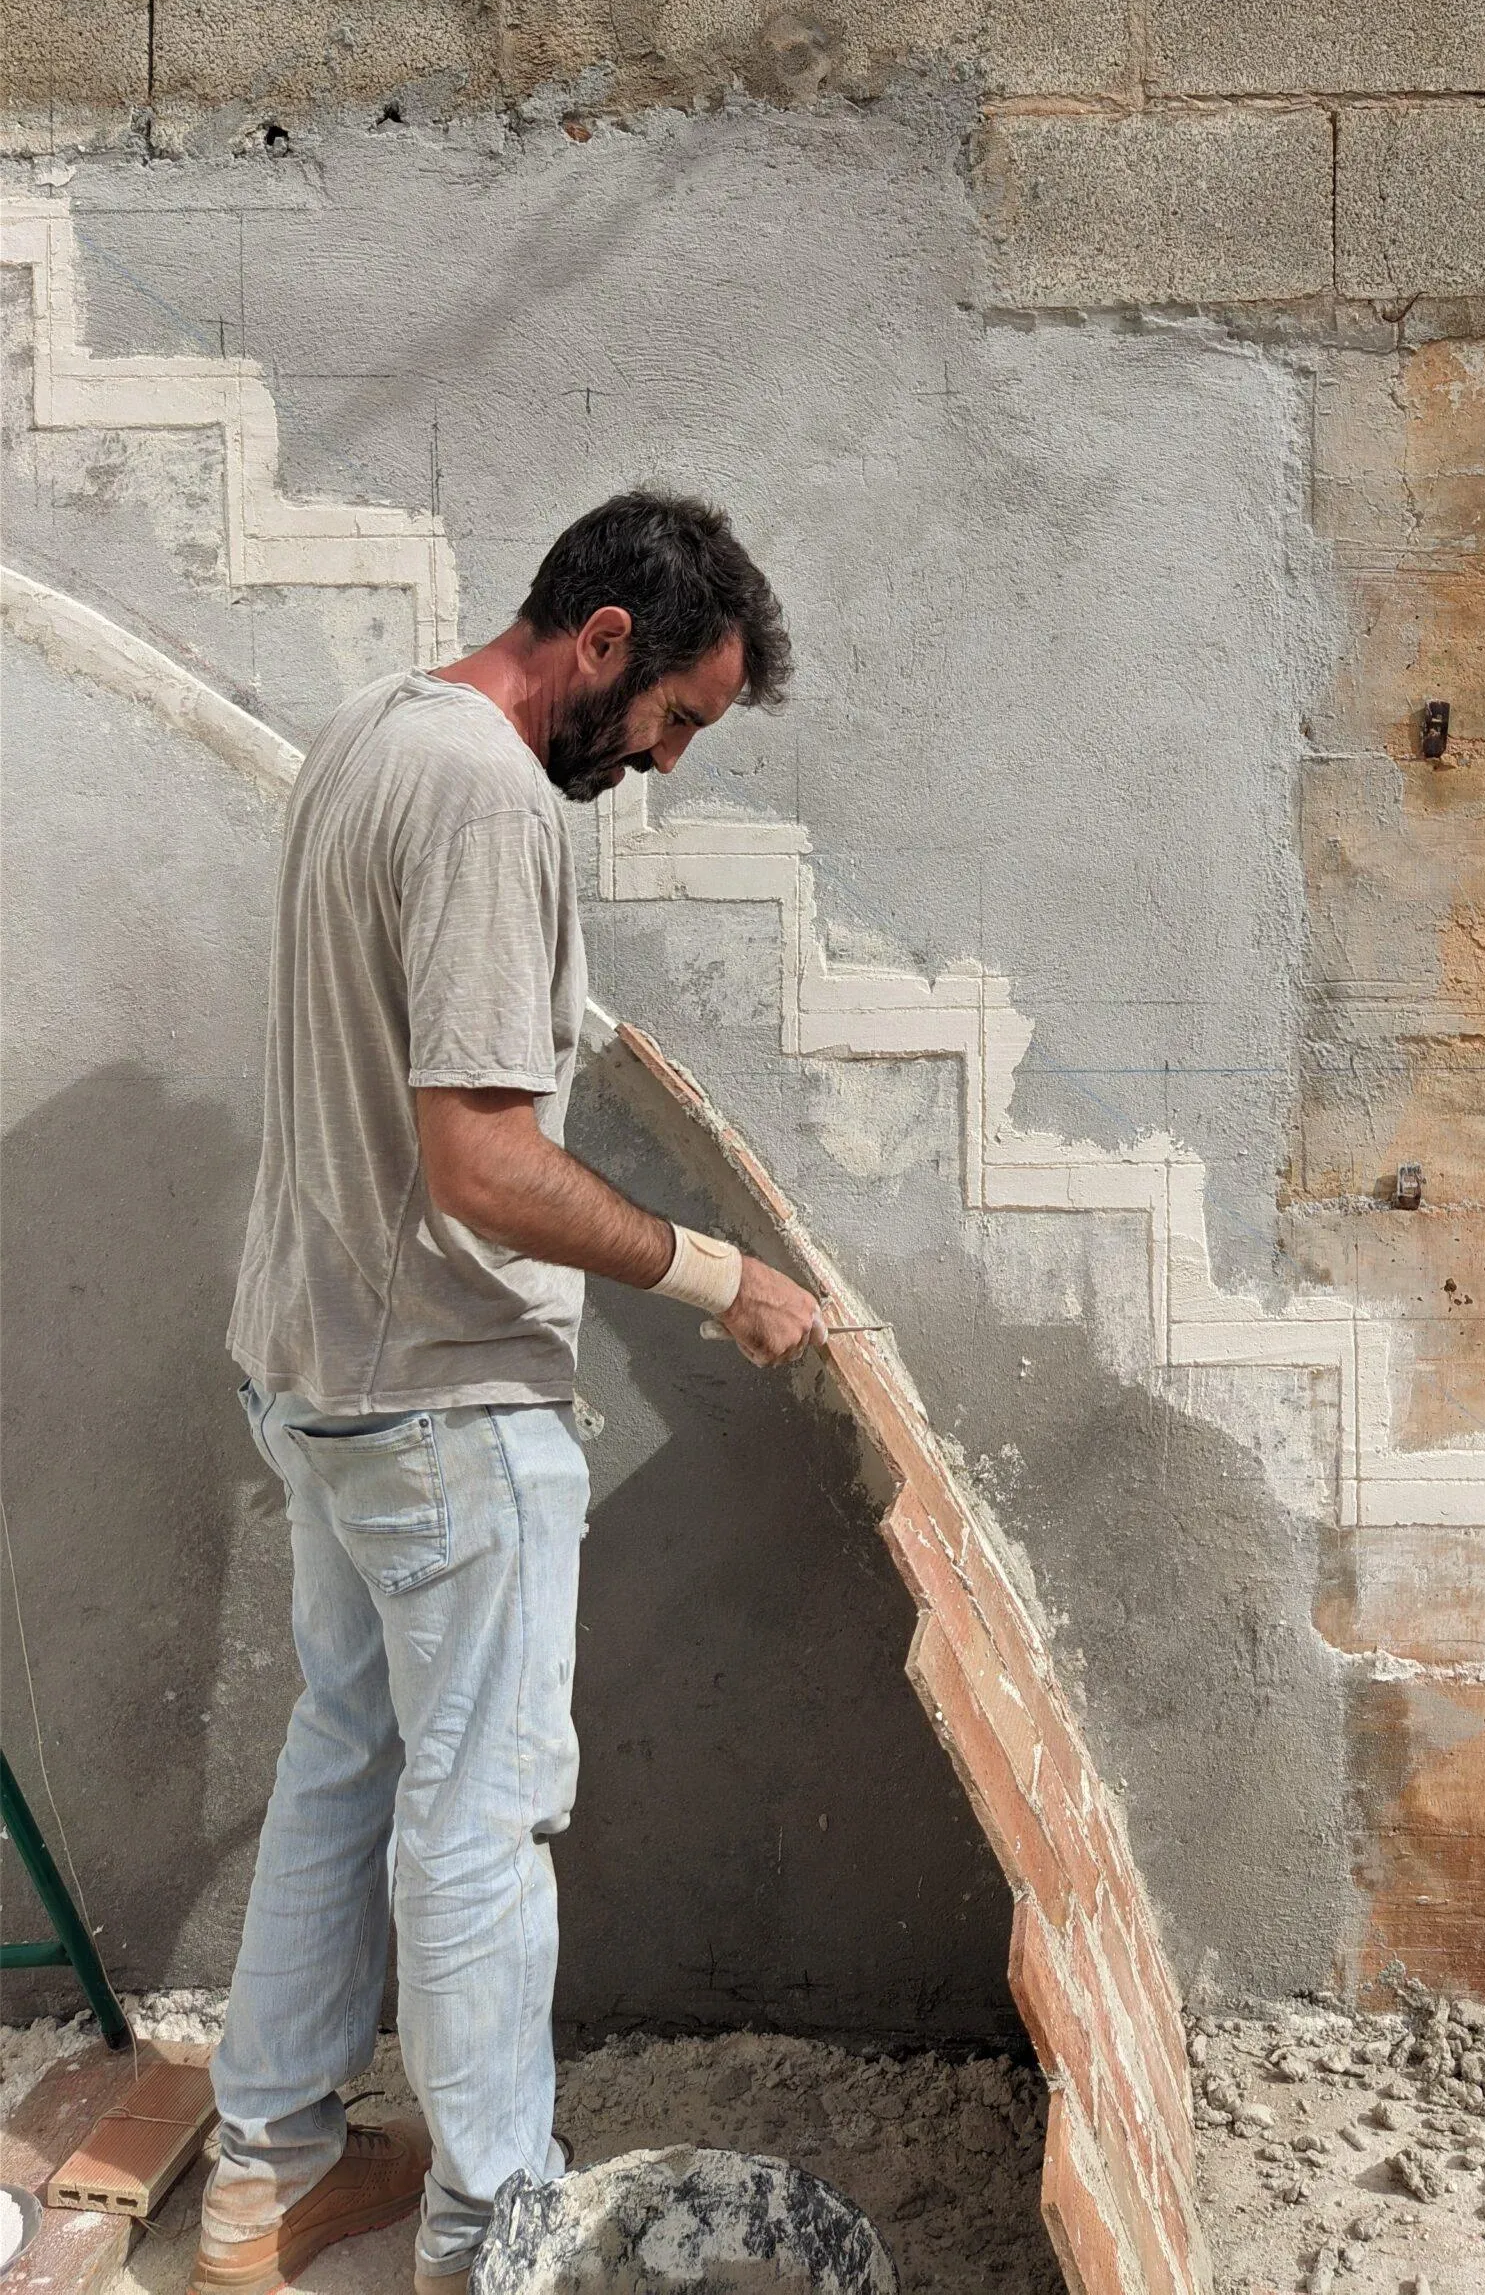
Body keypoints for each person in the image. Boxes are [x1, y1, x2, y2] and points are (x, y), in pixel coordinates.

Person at [194, 492, 824, 2295]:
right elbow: (480, 1162)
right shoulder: (482, 799)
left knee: (351, 1753)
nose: (667, 764)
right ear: (605, 642)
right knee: (482, 1819)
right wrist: (716, 1277)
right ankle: (488, 2235)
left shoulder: (378, 733)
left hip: (315, 1367)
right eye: (675, 722)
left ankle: (270, 2169)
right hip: (436, 1403)